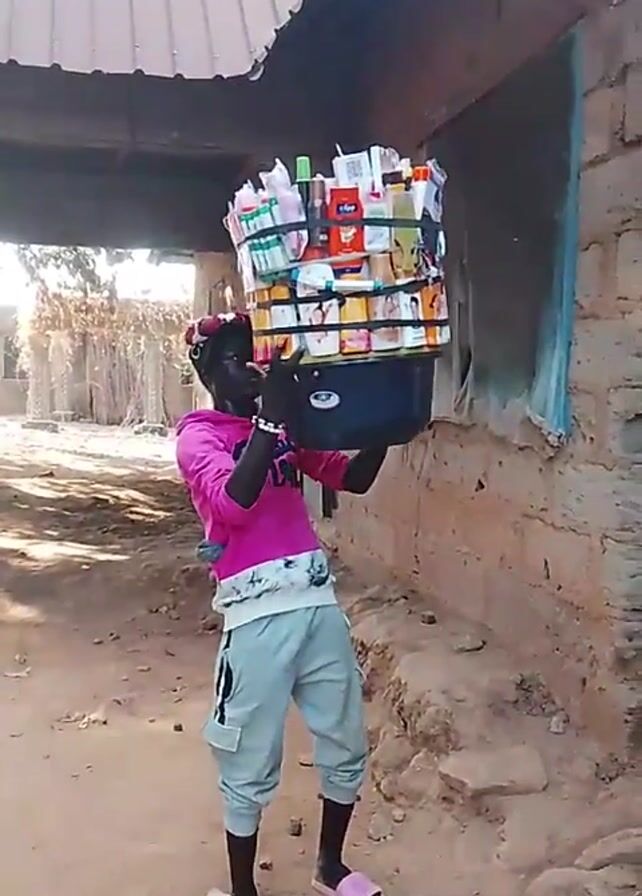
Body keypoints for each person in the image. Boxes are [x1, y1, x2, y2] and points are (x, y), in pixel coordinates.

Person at [176, 313, 388, 896]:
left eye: (257, 354)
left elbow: (352, 478)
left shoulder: (285, 430)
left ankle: (330, 868)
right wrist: (270, 419)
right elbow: (233, 502)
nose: (252, 366)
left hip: (316, 602)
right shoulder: (199, 437)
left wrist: (386, 424)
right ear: (207, 373)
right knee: (247, 758)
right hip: (255, 617)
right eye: (235, 358)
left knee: (345, 743)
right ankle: (243, 889)